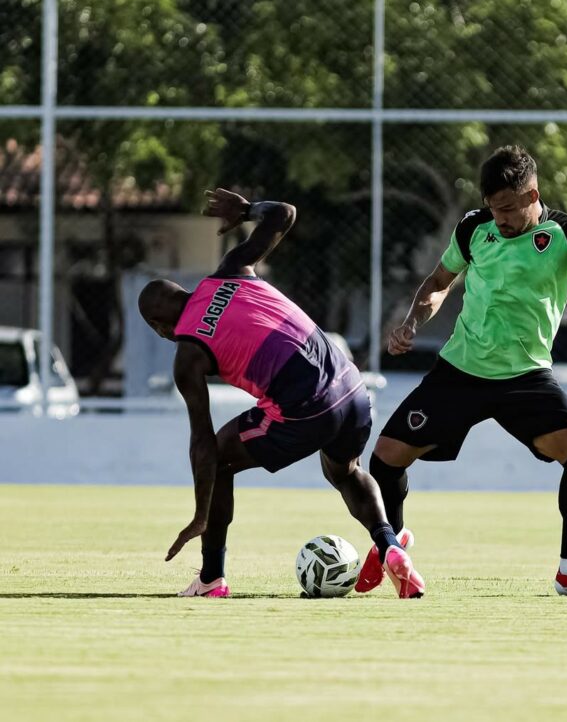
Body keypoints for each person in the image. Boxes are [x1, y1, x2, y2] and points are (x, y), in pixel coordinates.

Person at [355, 145, 567, 598]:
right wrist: (412, 323)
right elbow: (439, 282)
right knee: (385, 456)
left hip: (526, 377)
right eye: (492, 208)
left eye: (507, 209)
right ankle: (393, 545)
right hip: (461, 370)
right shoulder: (473, 227)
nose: (499, 218)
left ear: (532, 195)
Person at [138, 188, 424, 599]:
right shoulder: (229, 271)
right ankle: (390, 544)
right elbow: (285, 213)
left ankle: (211, 577)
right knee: (345, 471)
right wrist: (248, 210)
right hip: (352, 387)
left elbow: (202, 442)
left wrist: (201, 513)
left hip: (306, 405)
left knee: (220, 459)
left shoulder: (188, 352)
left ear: (158, 326)